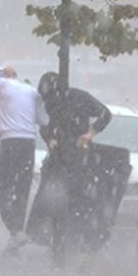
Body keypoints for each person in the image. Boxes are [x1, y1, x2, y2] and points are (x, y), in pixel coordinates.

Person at [33, 71, 114, 265]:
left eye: (50, 97)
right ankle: (55, 240)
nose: (49, 102)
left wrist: (90, 133)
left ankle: (77, 240)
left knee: (79, 200)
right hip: (57, 158)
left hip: (79, 158)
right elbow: (44, 125)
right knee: (52, 199)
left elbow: (105, 113)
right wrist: (50, 139)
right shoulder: (49, 104)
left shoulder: (79, 97)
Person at [0, 65, 49, 255]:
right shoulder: (32, 91)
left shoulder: (2, 84)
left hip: (10, 142)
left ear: (7, 76)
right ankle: (16, 235)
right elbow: (43, 120)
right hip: (28, 144)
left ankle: (15, 231)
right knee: (21, 190)